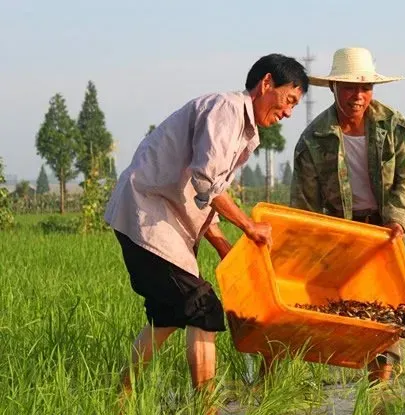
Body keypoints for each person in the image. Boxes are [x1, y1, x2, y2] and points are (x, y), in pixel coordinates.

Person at [104, 53, 308, 399]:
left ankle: (120, 394)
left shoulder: (242, 129)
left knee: (167, 314)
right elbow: (206, 181)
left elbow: (208, 195)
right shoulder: (226, 110)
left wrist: (222, 245)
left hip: (159, 219)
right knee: (203, 307)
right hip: (147, 215)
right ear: (266, 84)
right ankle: (206, 405)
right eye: (289, 100)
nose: (288, 112)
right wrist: (248, 227)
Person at [290, 47, 405, 383]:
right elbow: (305, 205)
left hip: (389, 232)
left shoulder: (392, 125)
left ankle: (384, 383)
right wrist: (310, 253)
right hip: (344, 235)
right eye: (349, 88)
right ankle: (361, 375)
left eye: (365, 88)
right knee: (354, 312)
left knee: (390, 306)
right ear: (333, 88)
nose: (357, 96)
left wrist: (397, 220)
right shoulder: (314, 139)